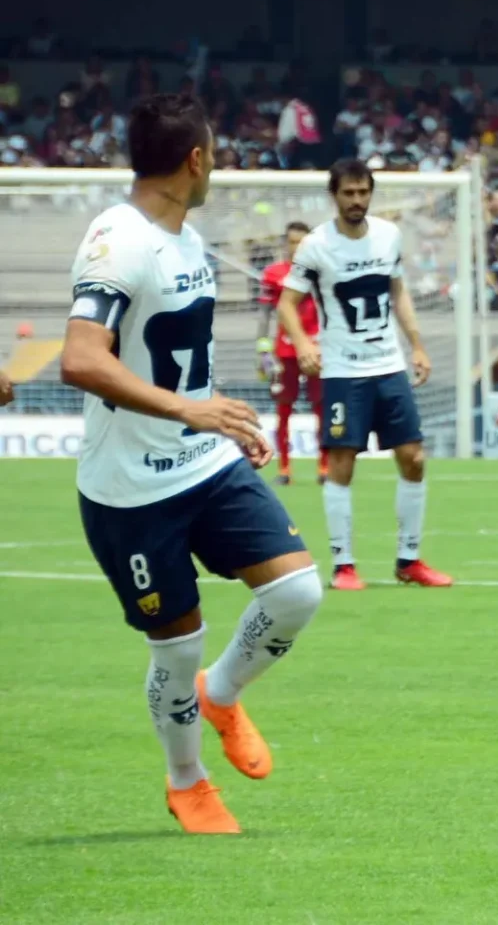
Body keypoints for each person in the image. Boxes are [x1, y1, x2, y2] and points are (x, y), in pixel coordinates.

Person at [61, 94, 323, 834]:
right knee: (176, 645)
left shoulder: (187, 239)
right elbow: (81, 359)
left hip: (203, 461)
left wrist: (221, 416)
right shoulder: (119, 239)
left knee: (299, 591)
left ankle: (224, 694)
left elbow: (173, 361)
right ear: (196, 160)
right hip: (129, 491)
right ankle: (188, 781)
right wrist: (189, 411)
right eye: (216, 153)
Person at [276, 159, 452, 591]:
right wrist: (303, 344)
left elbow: (398, 291)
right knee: (341, 463)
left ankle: (409, 560)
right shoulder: (316, 245)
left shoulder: (388, 236)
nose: (356, 200)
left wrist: (418, 345)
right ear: (333, 196)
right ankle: (344, 565)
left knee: (413, 458)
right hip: (342, 371)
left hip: (389, 366)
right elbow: (286, 304)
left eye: (363, 192)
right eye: (348, 193)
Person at [258, 222, 327, 485]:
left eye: (302, 241)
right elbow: (264, 314)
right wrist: (262, 350)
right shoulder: (274, 274)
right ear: (284, 244)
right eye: (292, 241)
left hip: (316, 349)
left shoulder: (320, 272)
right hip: (285, 351)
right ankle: (285, 468)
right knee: (284, 409)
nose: (297, 247)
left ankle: (324, 466)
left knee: (321, 407)